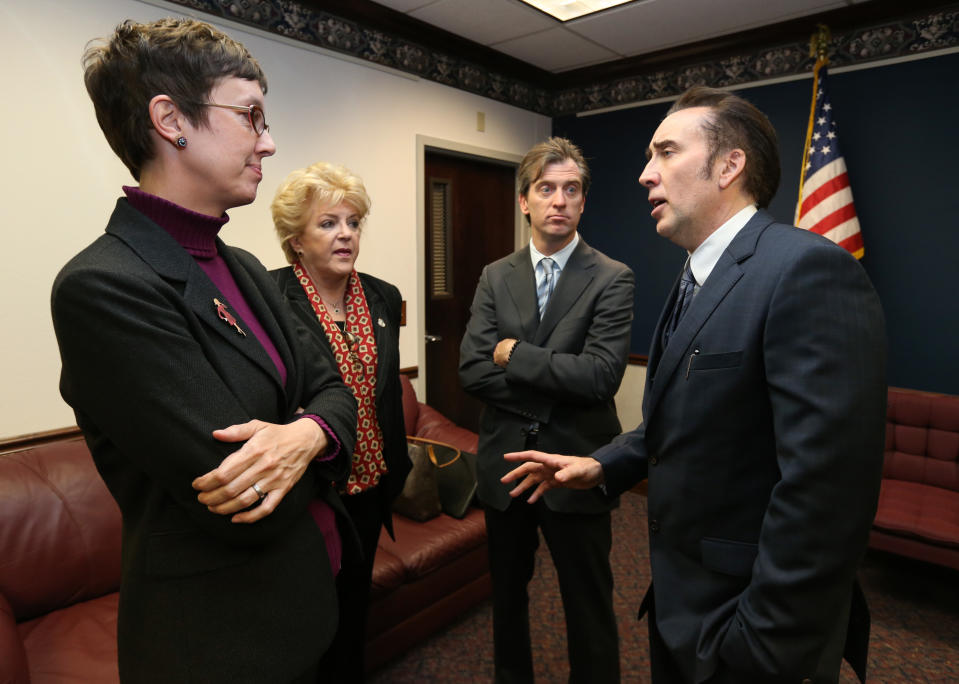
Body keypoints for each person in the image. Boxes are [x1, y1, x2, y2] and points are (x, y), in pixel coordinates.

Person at [503, 87, 887, 683]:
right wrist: (603, 466)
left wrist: (756, 646)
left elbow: (827, 495)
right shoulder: (695, 275)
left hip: (748, 633)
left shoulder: (806, 270)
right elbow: (680, 421)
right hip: (684, 607)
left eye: (665, 153)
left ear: (729, 165)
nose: (643, 174)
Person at [51, 19, 357, 683]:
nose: (269, 142)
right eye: (250, 116)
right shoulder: (103, 286)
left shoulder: (243, 265)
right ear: (171, 119)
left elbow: (335, 389)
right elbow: (241, 496)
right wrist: (325, 431)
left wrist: (304, 434)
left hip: (306, 605)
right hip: (220, 645)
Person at [459, 137, 634, 683]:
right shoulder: (496, 274)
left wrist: (514, 354)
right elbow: (471, 369)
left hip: (575, 469)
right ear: (525, 201)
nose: (559, 200)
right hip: (505, 466)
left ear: (583, 202)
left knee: (589, 604)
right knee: (506, 601)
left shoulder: (612, 277)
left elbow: (602, 376)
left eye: (571, 190)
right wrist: (557, 375)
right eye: (546, 189)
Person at [270, 161, 411, 681]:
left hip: (371, 484)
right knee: (308, 614)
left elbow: (386, 393)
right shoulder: (269, 298)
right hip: (311, 490)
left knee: (354, 605)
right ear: (296, 239)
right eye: (328, 223)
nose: (346, 234)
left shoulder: (381, 295)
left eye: (353, 222)